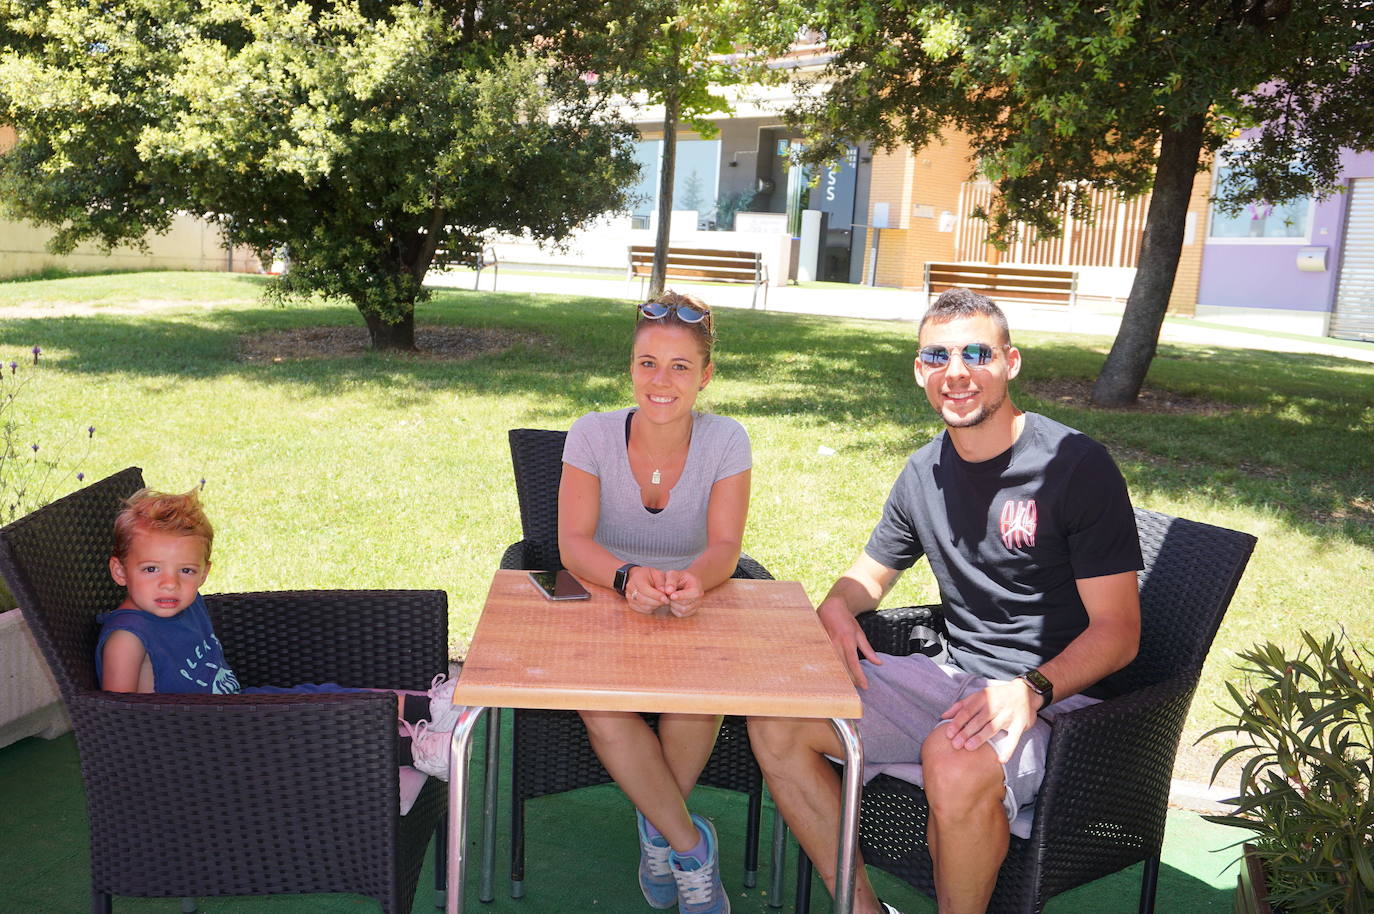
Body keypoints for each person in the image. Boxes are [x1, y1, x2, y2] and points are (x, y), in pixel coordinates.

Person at [748, 288, 1143, 914]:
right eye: (937, 357)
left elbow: (1120, 631)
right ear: (919, 371)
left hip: (1058, 699)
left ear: (1010, 362)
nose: (955, 373)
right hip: (949, 677)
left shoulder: (1076, 466)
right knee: (776, 719)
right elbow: (869, 576)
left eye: (976, 352)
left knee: (952, 760)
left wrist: (1033, 688)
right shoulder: (923, 471)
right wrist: (835, 607)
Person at [557, 291, 751, 914]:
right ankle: (689, 844)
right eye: (647, 363)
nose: (660, 381)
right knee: (602, 708)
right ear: (630, 366)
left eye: (679, 366)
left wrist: (693, 580)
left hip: (689, 606)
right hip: (602, 601)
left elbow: (725, 546)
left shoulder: (728, 440)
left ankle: (656, 829)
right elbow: (571, 543)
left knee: (701, 701)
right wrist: (625, 577)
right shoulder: (590, 433)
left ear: (706, 375)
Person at [97, 487, 459, 782]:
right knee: (317, 730)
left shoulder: (185, 604)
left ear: (205, 572)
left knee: (323, 697)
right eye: (150, 568)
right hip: (203, 746)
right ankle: (416, 752)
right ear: (119, 570)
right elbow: (116, 726)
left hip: (237, 710)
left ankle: (427, 708)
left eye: (186, 570)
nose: (170, 583)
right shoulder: (128, 638)